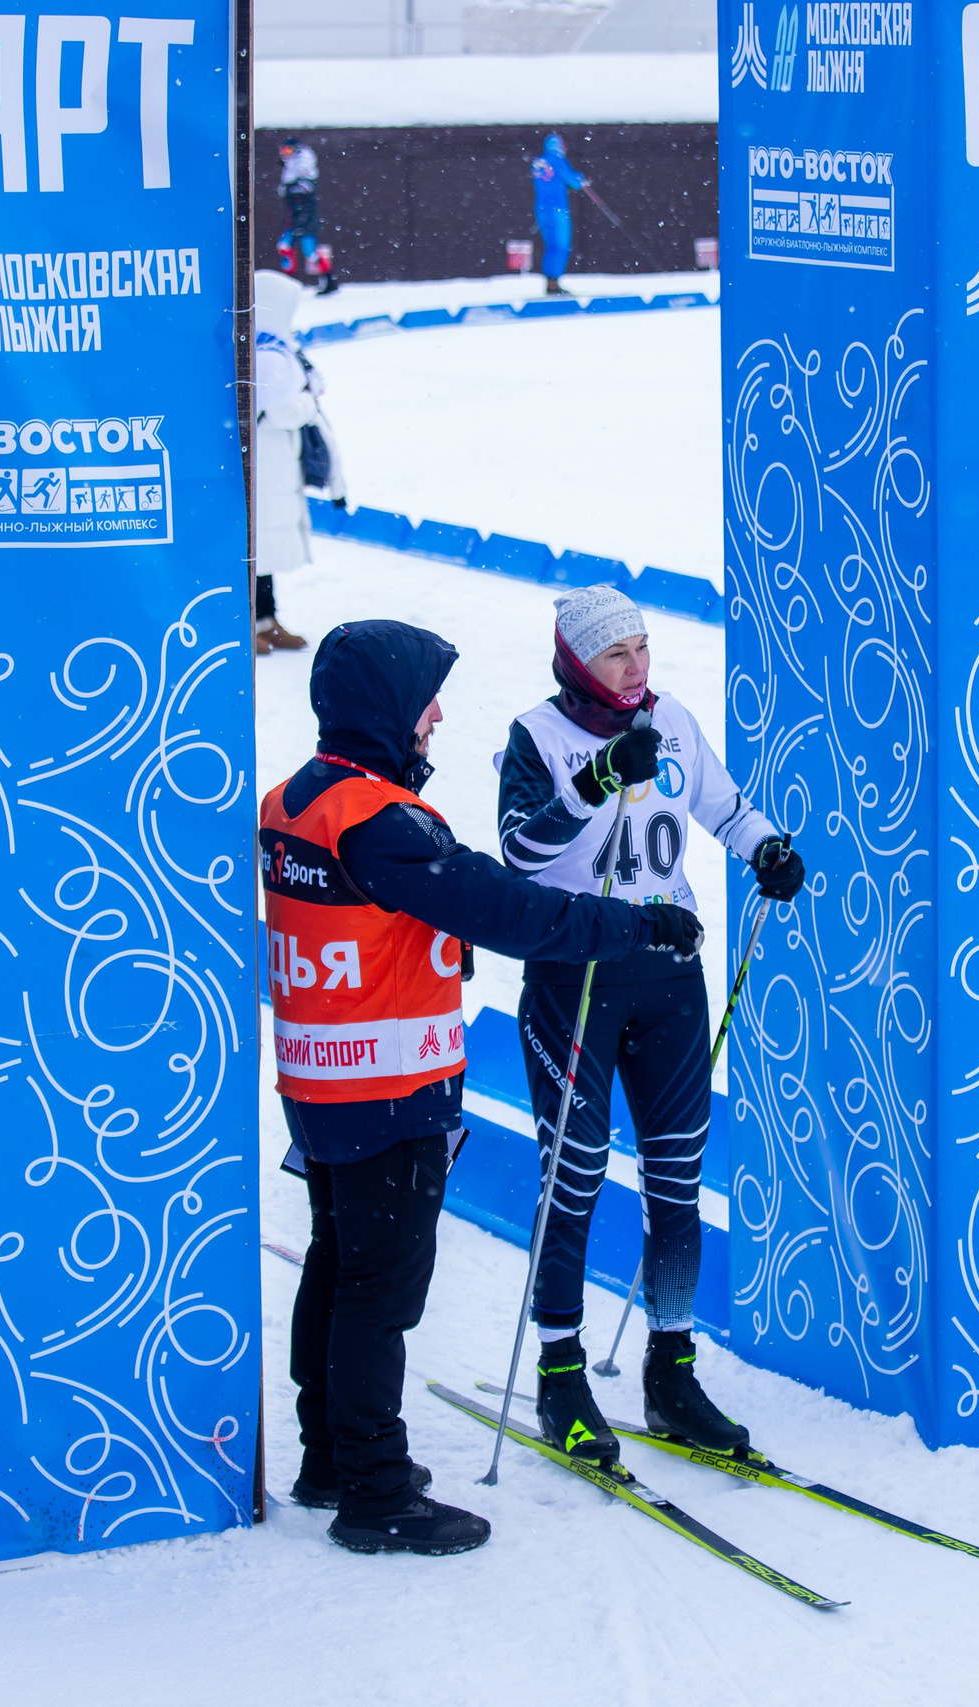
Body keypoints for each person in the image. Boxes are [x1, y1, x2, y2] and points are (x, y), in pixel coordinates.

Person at [264, 619, 705, 1556]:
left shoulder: (295, 801)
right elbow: (506, 905)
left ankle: (329, 1455)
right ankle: (375, 1489)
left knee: (337, 1270)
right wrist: (631, 929)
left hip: (320, 1078)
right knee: (379, 1294)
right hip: (387, 1090)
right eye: (423, 701)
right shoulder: (379, 821)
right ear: (386, 708)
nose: (432, 721)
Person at [494, 585, 805, 1462]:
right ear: (575, 661)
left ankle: (671, 1370)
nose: (637, 667)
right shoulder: (539, 736)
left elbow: (723, 806)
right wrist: (599, 777)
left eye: (642, 648)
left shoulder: (670, 720)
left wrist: (768, 848)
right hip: (576, 977)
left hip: (671, 976)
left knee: (676, 1176)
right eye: (616, 654)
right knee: (577, 1173)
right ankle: (562, 1375)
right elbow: (521, 848)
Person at [252, 270, 346, 654]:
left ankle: (265, 619)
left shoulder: (274, 347)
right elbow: (279, 409)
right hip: (264, 461)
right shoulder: (267, 354)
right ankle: (249, 622)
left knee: (265, 545)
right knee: (258, 545)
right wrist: (308, 402)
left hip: (275, 462)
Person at [529, 133, 587, 297]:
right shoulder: (558, 161)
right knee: (561, 245)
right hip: (558, 209)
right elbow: (575, 182)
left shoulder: (538, 162)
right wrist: (580, 177)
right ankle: (554, 281)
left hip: (541, 209)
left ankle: (550, 282)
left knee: (550, 245)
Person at [277, 136, 336, 296]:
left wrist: (290, 190)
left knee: (310, 252)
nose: (285, 154)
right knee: (284, 246)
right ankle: (289, 283)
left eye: (288, 150)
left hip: (305, 220)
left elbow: (302, 191)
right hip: (293, 219)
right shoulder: (289, 171)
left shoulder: (305, 171)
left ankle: (329, 280)